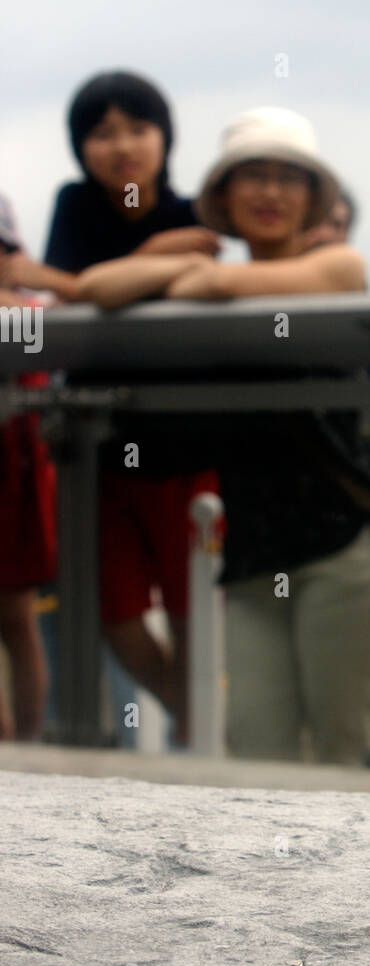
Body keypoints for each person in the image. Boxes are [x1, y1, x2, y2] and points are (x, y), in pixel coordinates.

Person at [73, 108, 370, 764]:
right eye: (253, 177)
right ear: (223, 195)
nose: (270, 192)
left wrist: (192, 279)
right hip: (246, 562)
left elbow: (249, 284)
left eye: (288, 179)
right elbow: (95, 288)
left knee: (346, 752)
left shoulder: (338, 265)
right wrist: (167, 258)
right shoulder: (205, 274)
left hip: (338, 551)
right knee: (254, 760)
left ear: (312, 197)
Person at [44, 71, 221, 743]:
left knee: (189, 612)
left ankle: (199, 741)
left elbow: (83, 286)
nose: (122, 146)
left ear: (165, 137)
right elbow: (79, 292)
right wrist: (150, 261)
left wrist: (103, 280)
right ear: (80, 147)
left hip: (187, 447)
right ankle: (201, 724)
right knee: (113, 615)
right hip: (96, 452)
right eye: (101, 132)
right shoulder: (76, 206)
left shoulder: (193, 213)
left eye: (137, 128)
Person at [0, 193, 59, 738]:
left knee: (19, 619)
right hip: (18, 476)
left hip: (15, 479)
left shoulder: (31, 312)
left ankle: (28, 740)